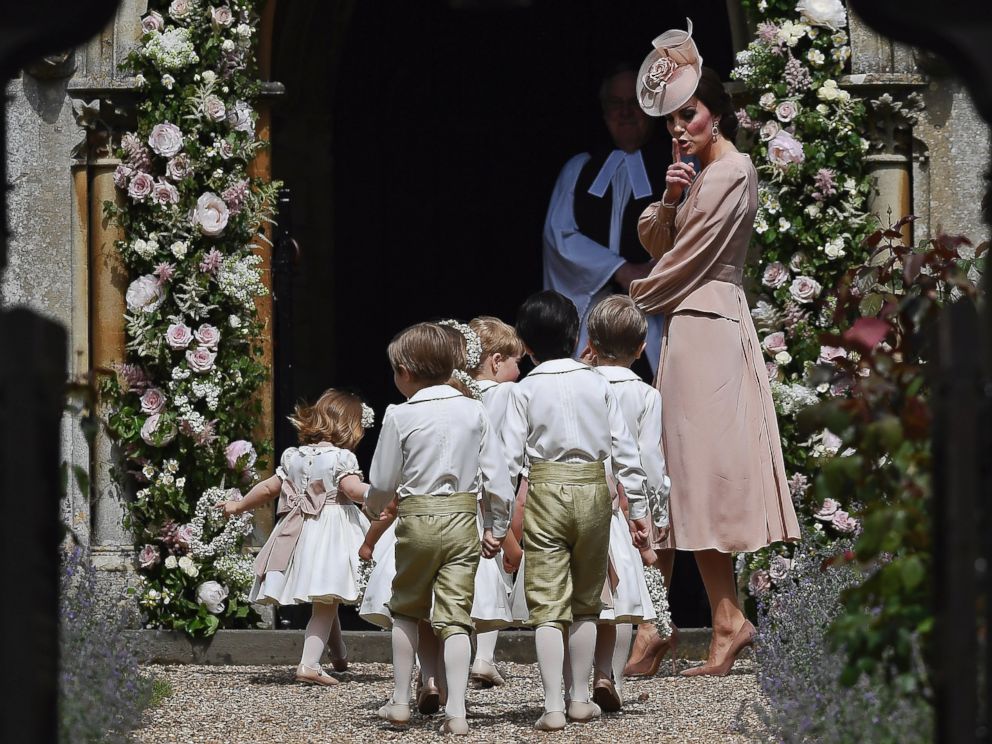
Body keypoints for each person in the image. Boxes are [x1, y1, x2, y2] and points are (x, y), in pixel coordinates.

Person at [627, 22, 801, 677]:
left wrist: (626, 306)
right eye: (672, 119)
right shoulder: (698, 173)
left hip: (708, 325)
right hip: (689, 329)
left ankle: (705, 622)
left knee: (695, 475)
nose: (678, 128)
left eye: (689, 114)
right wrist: (669, 194)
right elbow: (657, 240)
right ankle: (683, 622)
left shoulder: (732, 170)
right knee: (676, 477)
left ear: (717, 112)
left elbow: (687, 258)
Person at [500, 290, 650, 731]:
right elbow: (625, 450)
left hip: (546, 486)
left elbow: (508, 460)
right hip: (594, 491)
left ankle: (551, 705)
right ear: (575, 334)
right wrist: (638, 507)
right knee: (587, 602)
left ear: (525, 345)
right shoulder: (599, 383)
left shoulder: (523, 390)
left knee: (547, 603)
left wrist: (496, 518)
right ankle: (580, 697)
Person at [365, 322, 514, 736]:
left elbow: (382, 480)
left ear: (407, 372)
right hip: (464, 519)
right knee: (455, 616)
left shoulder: (401, 414)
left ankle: (398, 702)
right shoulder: (474, 411)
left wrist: (373, 509)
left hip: (416, 519)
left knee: (407, 610)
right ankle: (457, 710)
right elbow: (497, 478)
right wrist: (497, 526)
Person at [217, 389, 374, 686]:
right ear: (349, 426)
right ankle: (310, 664)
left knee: (326, 595)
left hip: (299, 529)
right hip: (331, 531)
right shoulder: (341, 458)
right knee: (327, 597)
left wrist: (238, 505)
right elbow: (353, 491)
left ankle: (339, 655)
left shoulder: (295, 456)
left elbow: (268, 488)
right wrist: (382, 495)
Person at [542, 64, 671, 380]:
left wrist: (655, 271)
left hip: (654, 319)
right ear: (604, 112)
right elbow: (559, 236)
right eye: (616, 104)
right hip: (594, 316)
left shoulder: (673, 168)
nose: (626, 112)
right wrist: (620, 269)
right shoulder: (580, 170)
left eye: (635, 103)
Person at [580, 294, 671, 710]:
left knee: (583, 597)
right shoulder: (646, 396)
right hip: (622, 510)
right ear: (641, 348)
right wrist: (657, 513)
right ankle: (608, 676)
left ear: (591, 343)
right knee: (617, 604)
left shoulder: (580, 385)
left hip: (579, 498)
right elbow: (650, 460)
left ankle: (575, 683)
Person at [464, 316, 526, 688]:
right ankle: (483, 656)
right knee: (499, 568)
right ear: (497, 359)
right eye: (517, 362)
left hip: (460, 495)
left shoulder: (456, 392)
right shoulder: (506, 394)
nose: (520, 370)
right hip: (493, 491)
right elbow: (509, 450)